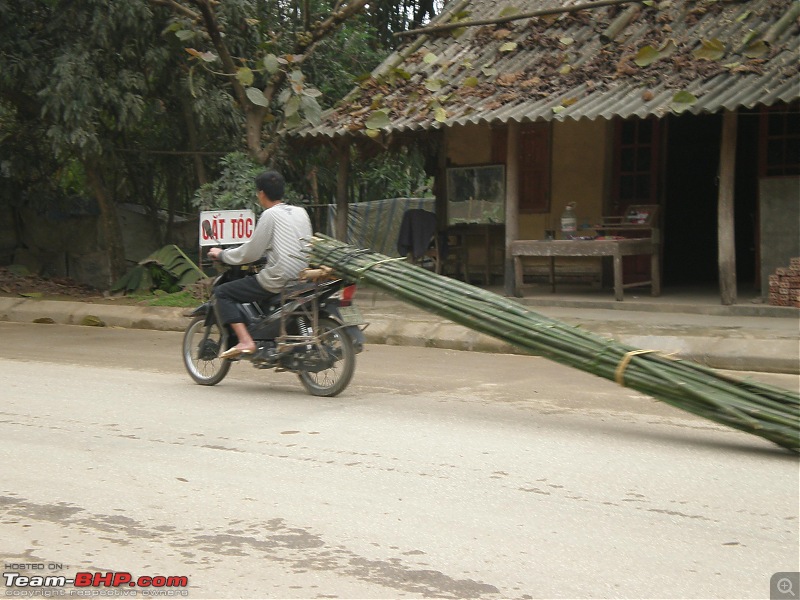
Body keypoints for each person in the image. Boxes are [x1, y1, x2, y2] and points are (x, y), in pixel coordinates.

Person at [206, 170, 312, 360]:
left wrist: (222, 254)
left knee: (223, 293)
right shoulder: (301, 212)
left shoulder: (270, 215)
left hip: (280, 277)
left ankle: (246, 340)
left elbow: (251, 252)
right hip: (303, 274)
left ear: (261, 194)